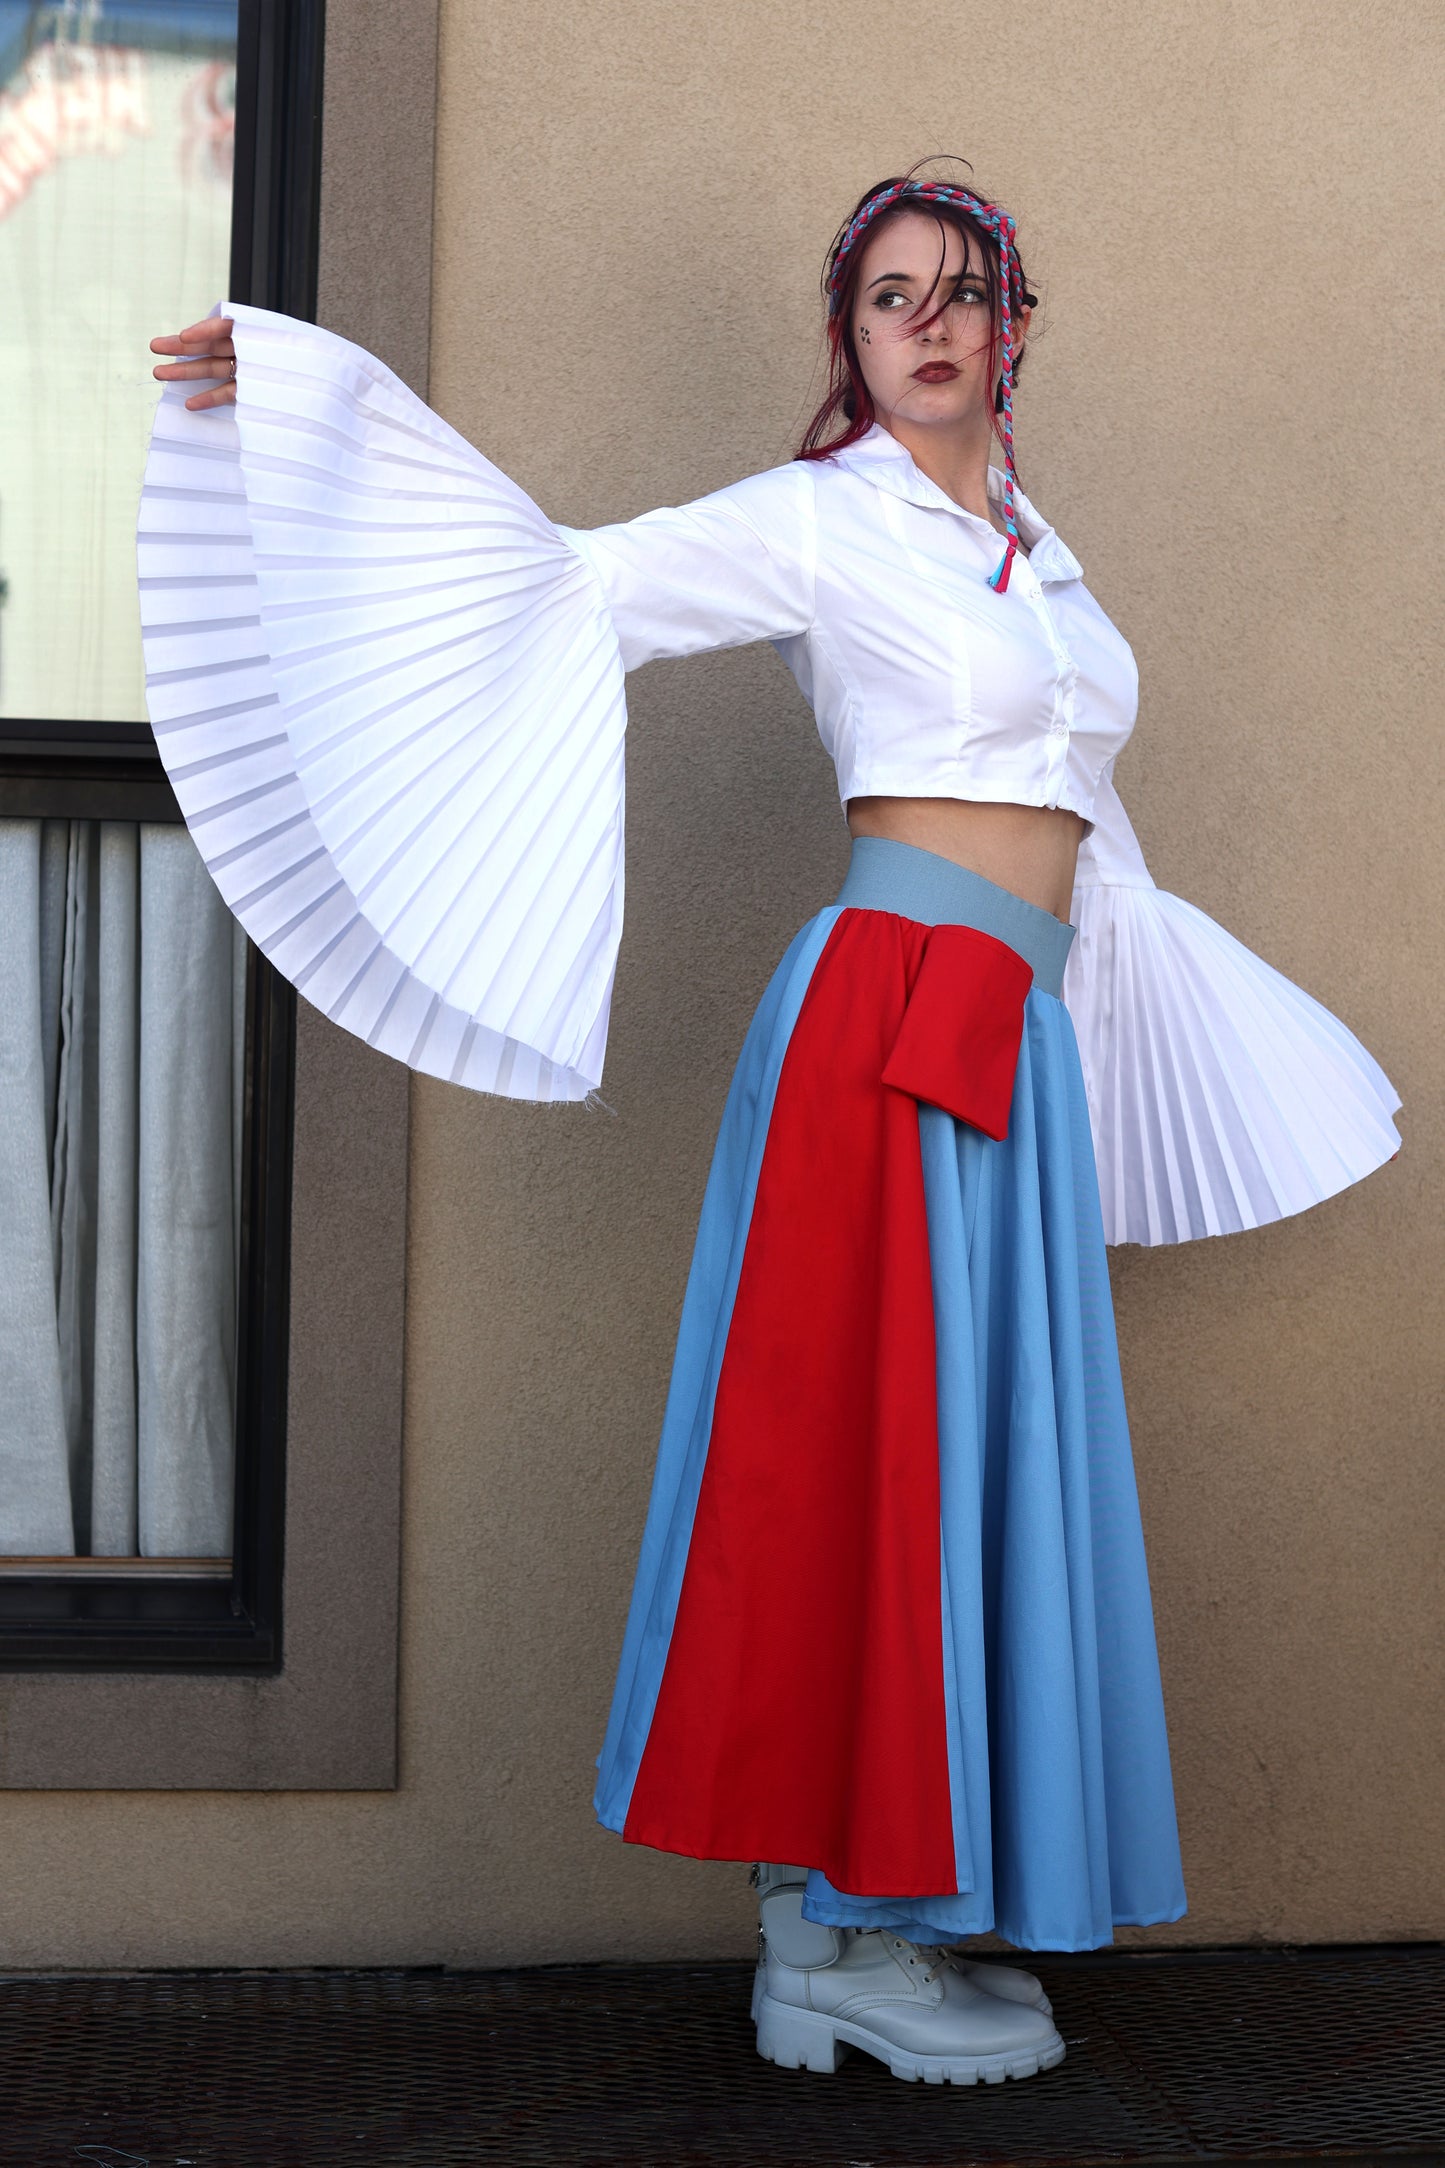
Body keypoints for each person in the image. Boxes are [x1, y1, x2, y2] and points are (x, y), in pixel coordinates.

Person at [143, 165, 1401, 2088]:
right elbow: (570, 577)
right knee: (844, 1458)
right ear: (853, 337)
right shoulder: (821, 526)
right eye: (886, 294)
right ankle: (811, 1940)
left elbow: (1081, 823)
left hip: (1010, 1041)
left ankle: (888, 1912)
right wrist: (311, 421)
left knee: (957, 1463)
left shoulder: (1032, 556)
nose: (923, 320)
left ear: (1013, 329)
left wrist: (1164, 1043)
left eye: (957, 290)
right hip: (885, 1020)